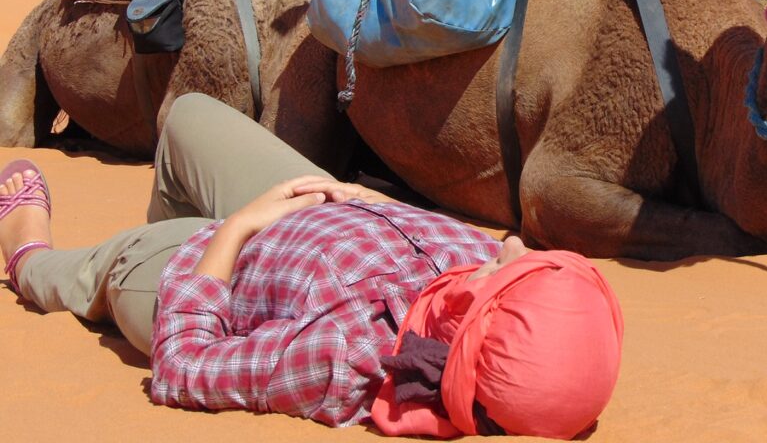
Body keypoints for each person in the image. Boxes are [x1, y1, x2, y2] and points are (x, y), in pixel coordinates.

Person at [0, 93, 623, 439]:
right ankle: (160, 236)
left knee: (106, 268)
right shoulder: (476, 294)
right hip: (316, 207)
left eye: (510, 274)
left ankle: (39, 256)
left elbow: (185, 367)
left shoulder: (342, 356)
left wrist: (239, 226)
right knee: (189, 114)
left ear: (471, 331)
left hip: (218, 266)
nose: (510, 246)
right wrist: (375, 204)